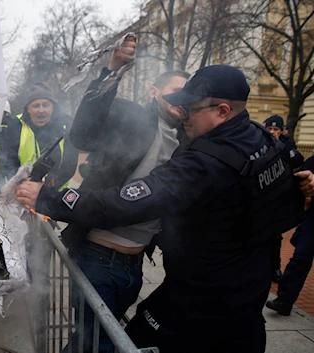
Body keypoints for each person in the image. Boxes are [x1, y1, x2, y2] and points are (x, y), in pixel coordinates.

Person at [17, 65, 309, 353]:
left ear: (221, 112)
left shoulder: (204, 164)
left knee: (119, 343)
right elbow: (287, 185)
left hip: (202, 297)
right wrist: (306, 182)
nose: (184, 114)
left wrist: (50, 199)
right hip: (245, 295)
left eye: (192, 108)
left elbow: (126, 203)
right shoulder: (259, 135)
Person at [35, 36, 189, 352]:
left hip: (134, 268)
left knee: (87, 342)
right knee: (102, 344)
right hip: (97, 258)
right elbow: (84, 134)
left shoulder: (190, 141)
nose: (182, 100)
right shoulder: (130, 117)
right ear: (154, 91)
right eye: (175, 91)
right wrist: (112, 72)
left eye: (189, 95)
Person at [3, 82, 79, 190]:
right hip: (21, 193)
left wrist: (47, 189)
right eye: (36, 106)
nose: (41, 110)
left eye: (46, 105)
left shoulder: (66, 125)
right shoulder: (16, 125)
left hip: (54, 194)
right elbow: (8, 161)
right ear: (28, 109)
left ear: (52, 107)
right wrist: (23, 183)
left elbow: (70, 164)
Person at [264, 115, 305, 282]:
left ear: (282, 131)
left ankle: (274, 267)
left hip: (278, 194)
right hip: (262, 192)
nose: (273, 132)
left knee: (275, 235)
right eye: (270, 129)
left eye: (276, 129)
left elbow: (297, 160)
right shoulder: (258, 141)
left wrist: (281, 145)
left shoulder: (286, 144)